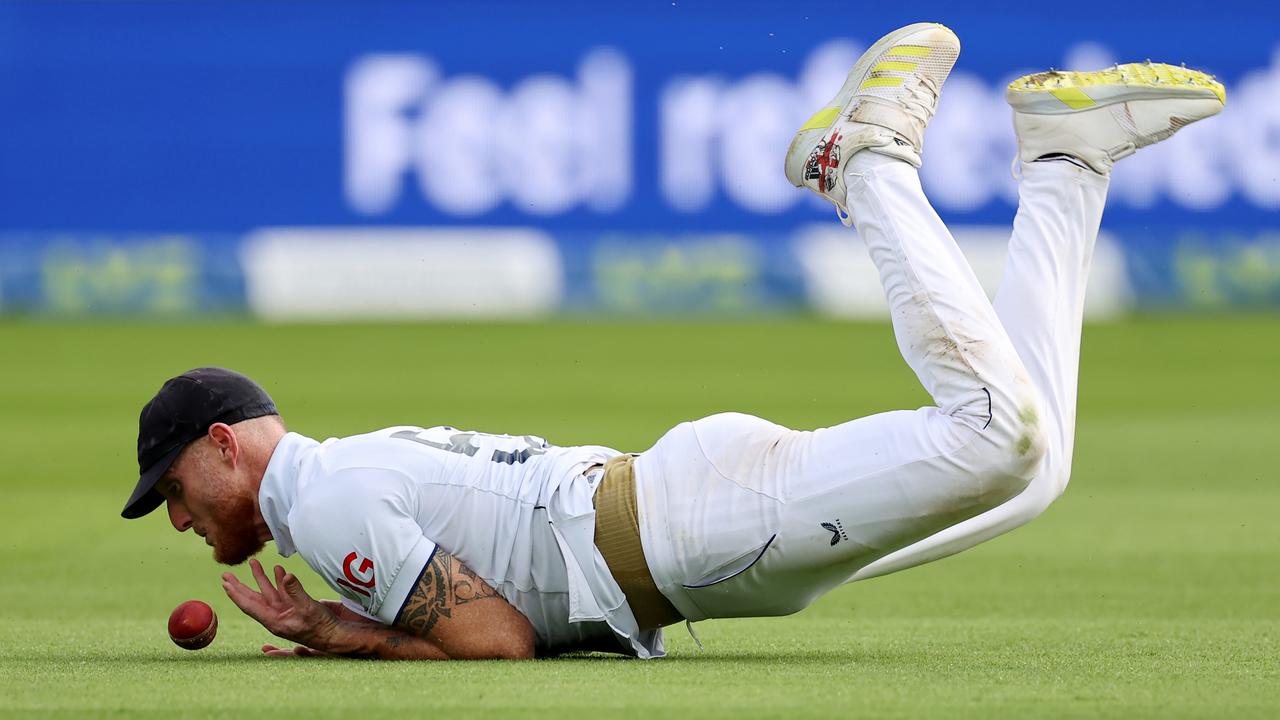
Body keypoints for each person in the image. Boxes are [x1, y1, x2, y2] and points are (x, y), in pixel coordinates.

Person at [121, 22, 1224, 660]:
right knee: (1031, 473)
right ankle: (1064, 166)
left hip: (683, 529)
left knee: (994, 437)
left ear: (224, 444)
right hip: (682, 531)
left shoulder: (318, 500)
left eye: (173, 488)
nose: (177, 517)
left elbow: (495, 643)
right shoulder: (341, 477)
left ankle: (863, 162)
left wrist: (334, 632)